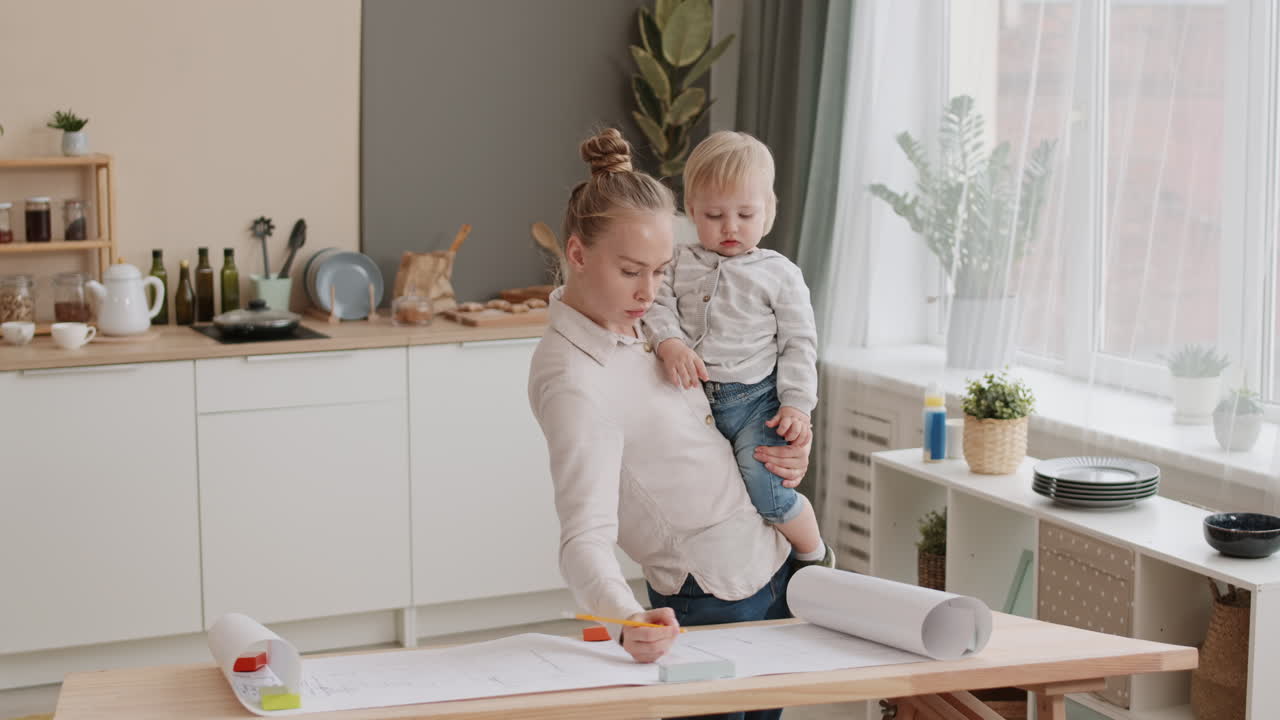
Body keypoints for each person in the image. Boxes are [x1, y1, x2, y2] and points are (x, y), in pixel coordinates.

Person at [528, 128, 812, 720]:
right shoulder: (574, 379)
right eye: (632, 271)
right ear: (577, 255)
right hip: (706, 595)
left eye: (660, 270)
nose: (649, 291)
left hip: (766, 564)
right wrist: (625, 621)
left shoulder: (640, 322)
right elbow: (583, 536)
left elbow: (711, 428)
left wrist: (784, 454)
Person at [643, 131, 831, 568]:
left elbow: (799, 344)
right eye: (714, 214)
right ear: (691, 212)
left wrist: (798, 407)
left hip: (756, 403)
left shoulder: (779, 273)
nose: (730, 227)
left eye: (745, 214)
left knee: (766, 489)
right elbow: (656, 305)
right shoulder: (677, 261)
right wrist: (669, 342)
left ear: (768, 213)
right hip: (693, 400)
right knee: (705, 496)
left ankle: (813, 554)